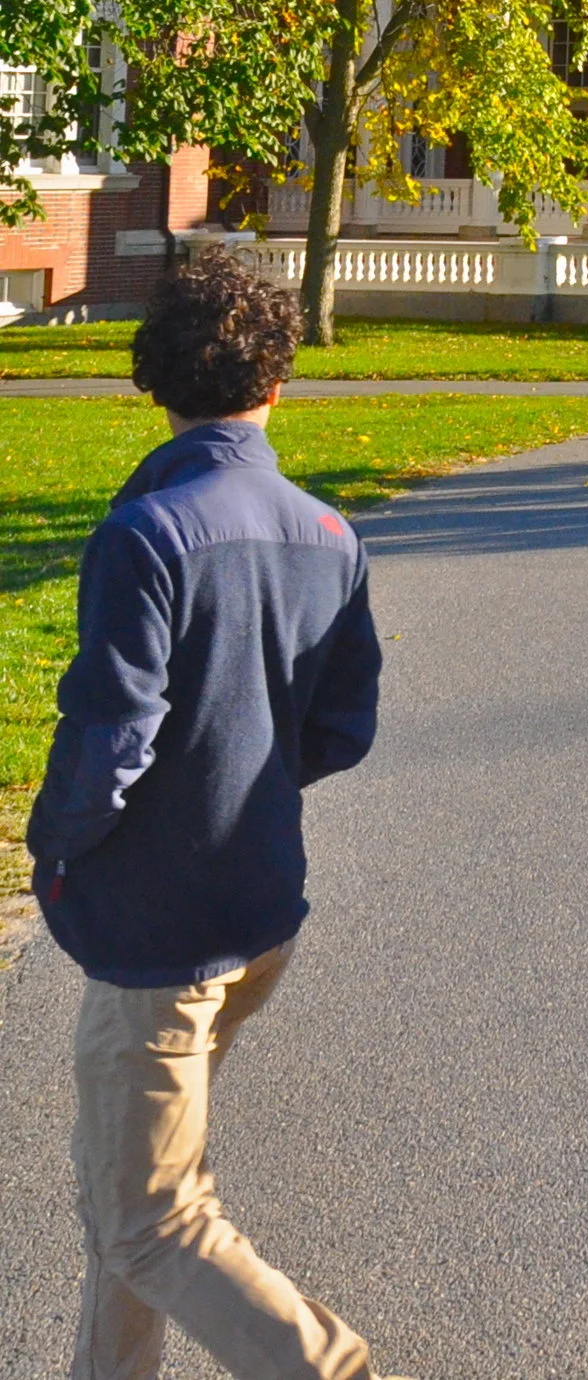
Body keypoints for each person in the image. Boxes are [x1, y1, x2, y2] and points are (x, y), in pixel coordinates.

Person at [28, 246, 389, 1380]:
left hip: (162, 933)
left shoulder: (146, 533)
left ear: (155, 381)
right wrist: (245, 772)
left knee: (150, 1218)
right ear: (278, 380)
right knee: (126, 1190)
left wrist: (55, 851)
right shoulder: (329, 534)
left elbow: (111, 736)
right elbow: (343, 728)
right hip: (260, 910)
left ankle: (324, 1366)